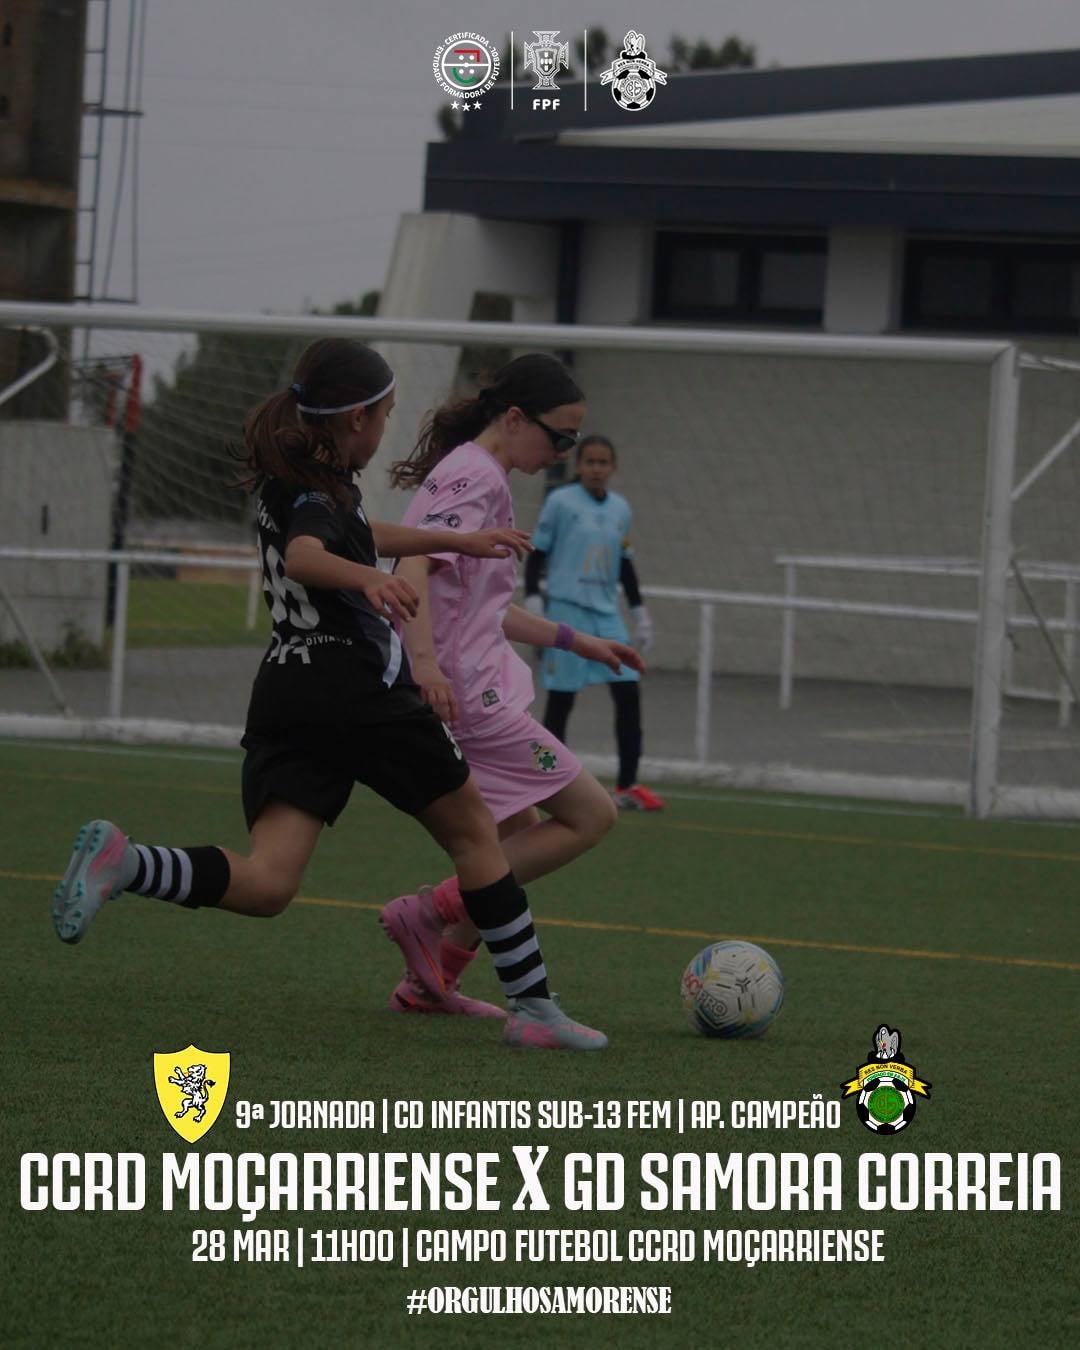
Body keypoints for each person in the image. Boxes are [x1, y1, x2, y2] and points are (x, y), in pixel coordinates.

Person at [51, 337, 608, 1051]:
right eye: (386, 416)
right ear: (357, 419)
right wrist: (374, 580)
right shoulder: (320, 492)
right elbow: (308, 555)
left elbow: (356, 534)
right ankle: (533, 1009)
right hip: (358, 689)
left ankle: (126, 862)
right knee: (478, 834)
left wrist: (456, 544)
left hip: (288, 688)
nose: (386, 430)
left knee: (269, 883)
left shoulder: (292, 481)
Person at [379, 356, 645, 1018]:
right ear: (517, 418)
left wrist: (577, 640)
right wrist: (427, 666)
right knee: (592, 815)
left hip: (471, 682)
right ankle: (428, 910)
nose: (564, 453)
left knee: (515, 835)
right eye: (561, 437)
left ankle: (430, 983)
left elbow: (482, 608)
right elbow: (411, 565)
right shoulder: (476, 476)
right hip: (470, 696)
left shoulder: (477, 471)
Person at [523, 434, 664, 811]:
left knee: (628, 692)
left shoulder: (620, 508)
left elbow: (624, 563)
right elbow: (537, 553)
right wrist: (534, 597)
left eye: (603, 463)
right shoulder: (561, 502)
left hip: (606, 614)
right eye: (590, 462)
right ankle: (546, 781)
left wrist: (640, 613)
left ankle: (628, 784)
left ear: (613, 468)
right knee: (562, 699)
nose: (596, 469)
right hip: (567, 610)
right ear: (579, 465)